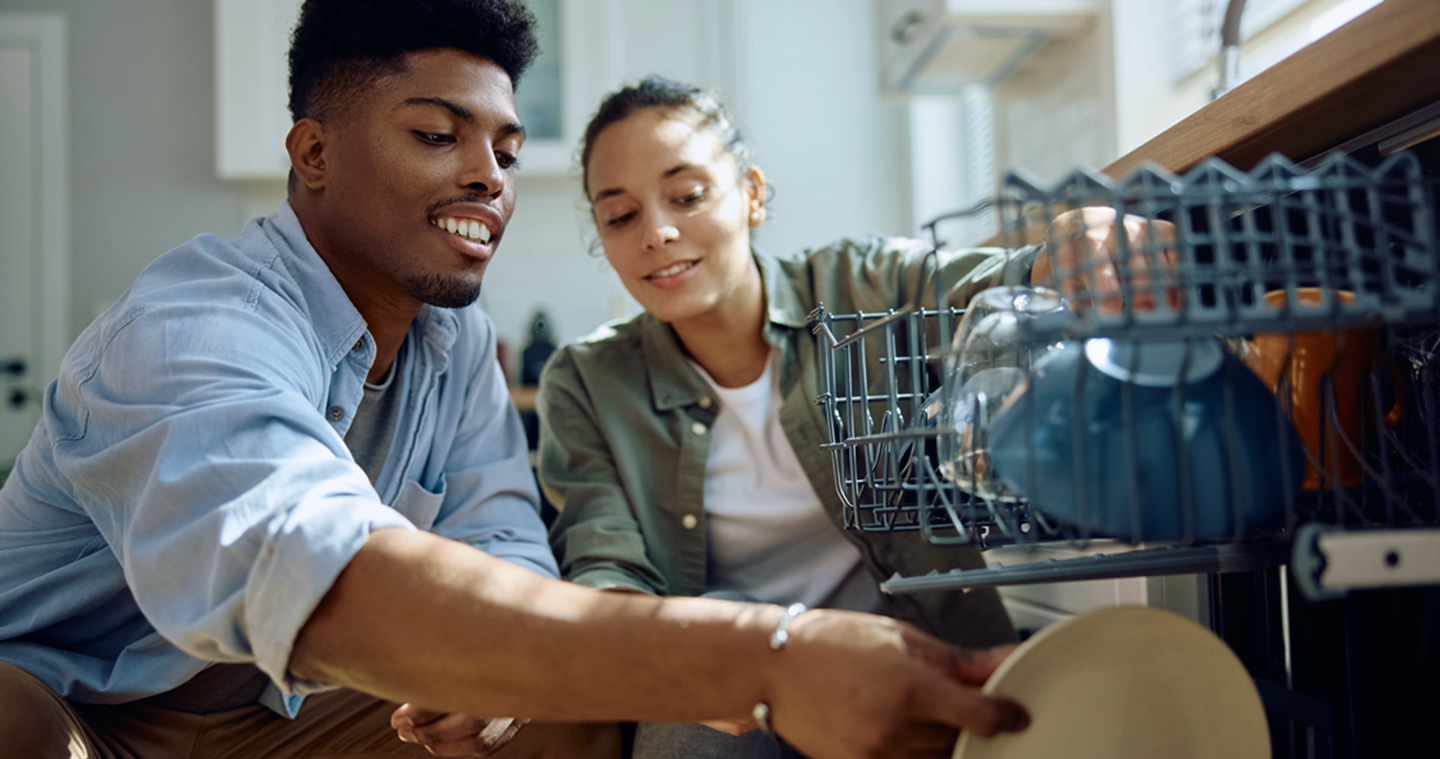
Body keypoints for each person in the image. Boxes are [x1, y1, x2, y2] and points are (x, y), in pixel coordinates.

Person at [0, 2, 1032, 758]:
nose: (490, 177)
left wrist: (488, 689)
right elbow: (324, 581)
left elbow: (505, 547)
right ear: (313, 151)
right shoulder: (190, 325)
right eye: (437, 135)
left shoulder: (454, 346)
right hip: (88, 707)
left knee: (554, 716)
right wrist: (762, 655)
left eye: (503, 146)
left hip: (293, 708)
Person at [538, 76, 1170, 758]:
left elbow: (986, 288)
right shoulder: (587, 380)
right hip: (742, 698)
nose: (657, 232)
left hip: (912, 668)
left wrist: (1070, 247)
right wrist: (687, 663)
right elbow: (606, 574)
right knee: (685, 728)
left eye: (687, 196)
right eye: (621, 216)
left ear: (751, 193)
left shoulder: (858, 285)